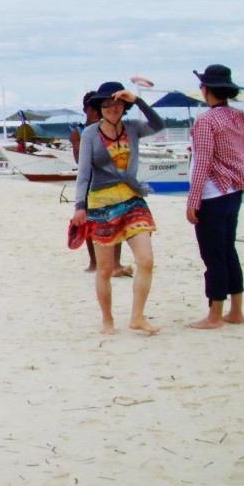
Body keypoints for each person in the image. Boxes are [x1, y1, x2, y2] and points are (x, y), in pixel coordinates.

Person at [71, 80, 164, 334]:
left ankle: (137, 317)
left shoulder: (133, 128)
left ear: (124, 106)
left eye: (118, 104)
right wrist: (80, 206)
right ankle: (107, 321)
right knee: (104, 270)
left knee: (146, 260)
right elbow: (83, 174)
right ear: (99, 107)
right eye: (107, 104)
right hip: (101, 204)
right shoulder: (90, 134)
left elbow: (158, 124)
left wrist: (138, 100)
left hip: (132, 199)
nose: (113, 108)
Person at [184, 64, 244, 330]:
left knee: (213, 255)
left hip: (213, 193)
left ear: (206, 90)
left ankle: (215, 314)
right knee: (228, 251)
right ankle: (235, 310)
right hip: (233, 191)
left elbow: (203, 162)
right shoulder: (240, 117)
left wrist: (192, 201)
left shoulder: (207, 120)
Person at [70, 93, 126, 276]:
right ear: (85, 109)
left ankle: (115, 263)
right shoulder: (79, 132)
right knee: (88, 223)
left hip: (109, 183)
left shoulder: (109, 128)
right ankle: (94, 261)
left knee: (115, 221)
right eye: (91, 108)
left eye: (97, 108)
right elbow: (79, 160)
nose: (95, 112)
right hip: (90, 183)